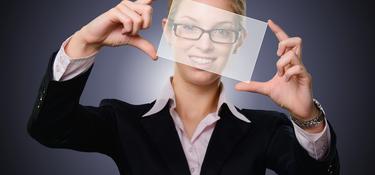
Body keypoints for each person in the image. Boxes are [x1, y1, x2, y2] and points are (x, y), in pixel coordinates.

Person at [28, 0, 339, 174]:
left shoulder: (267, 129)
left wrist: (307, 118)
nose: (204, 46)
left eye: (221, 31)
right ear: (169, 32)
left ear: (239, 41)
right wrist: (85, 41)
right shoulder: (121, 121)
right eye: (189, 27)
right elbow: (50, 128)